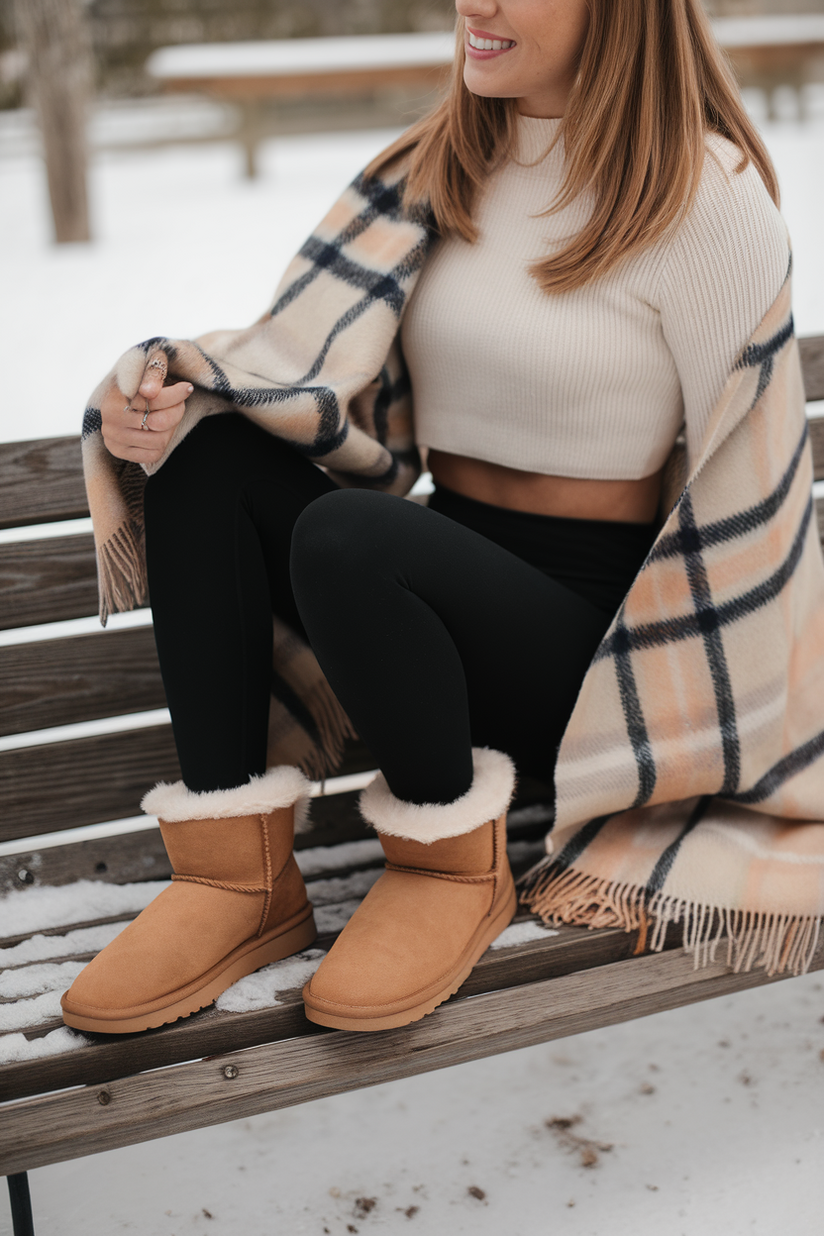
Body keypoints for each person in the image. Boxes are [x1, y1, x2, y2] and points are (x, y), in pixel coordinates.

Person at [61, 0, 790, 1035]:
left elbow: (744, 493)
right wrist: (157, 396)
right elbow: (303, 369)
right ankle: (236, 881)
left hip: (586, 663)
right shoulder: (433, 169)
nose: (473, 4)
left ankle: (452, 870)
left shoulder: (702, 200)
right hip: (421, 616)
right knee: (209, 450)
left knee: (354, 539)